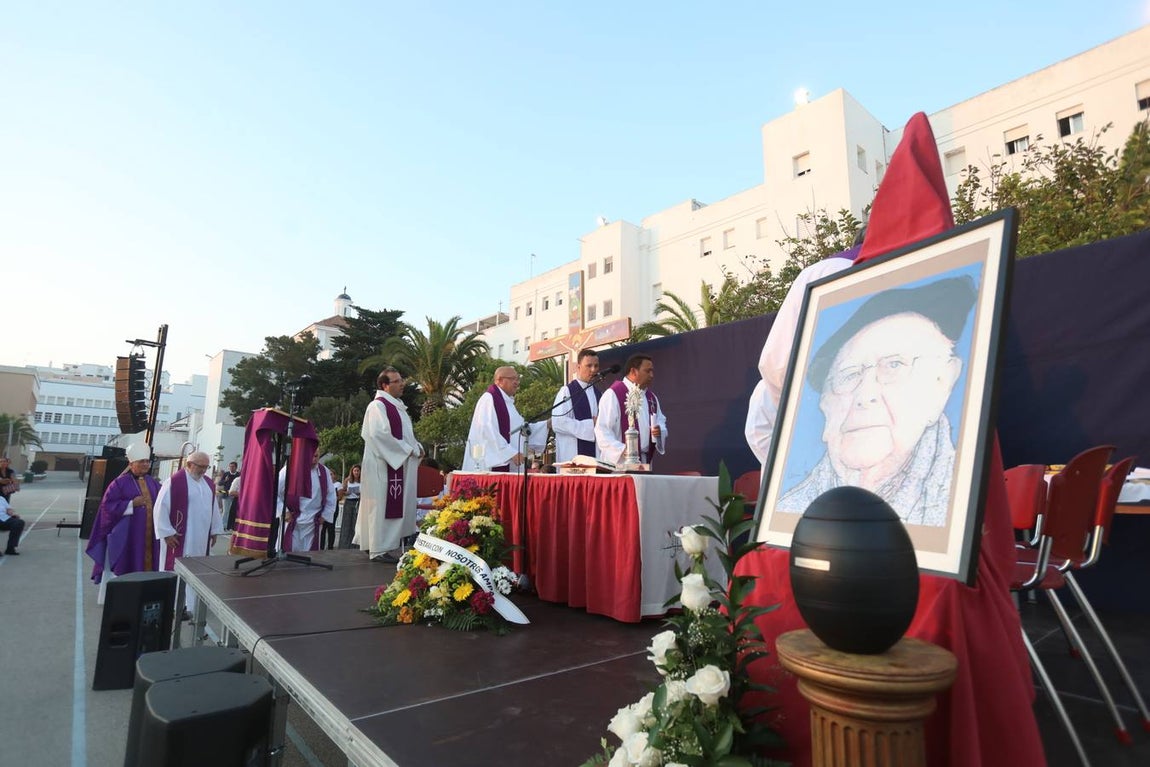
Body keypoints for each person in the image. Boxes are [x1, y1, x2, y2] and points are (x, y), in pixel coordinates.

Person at [777, 276, 975, 527]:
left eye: (894, 365)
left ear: (943, 382)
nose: (865, 394)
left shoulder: (956, 502)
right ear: (825, 405)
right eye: (849, 375)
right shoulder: (789, 512)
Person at [359, 367, 423, 562]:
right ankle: (378, 548)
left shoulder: (397, 406)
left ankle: (374, 544)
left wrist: (416, 446)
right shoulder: (377, 406)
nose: (402, 383)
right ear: (385, 385)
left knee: (386, 505)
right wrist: (408, 450)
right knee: (380, 505)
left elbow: (405, 436)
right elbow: (379, 435)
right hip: (383, 466)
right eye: (397, 381)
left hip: (395, 465)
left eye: (401, 379)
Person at [85, 442, 161, 601]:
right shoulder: (119, 483)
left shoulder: (153, 483)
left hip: (149, 536)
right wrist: (131, 504)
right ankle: (119, 597)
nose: (146, 464)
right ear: (131, 463)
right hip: (127, 536)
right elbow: (107, 506)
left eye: (147, 461)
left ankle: (144, 593)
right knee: (126, 562)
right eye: (142, 461)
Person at [460, 366, 548, 472]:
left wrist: (546, 425)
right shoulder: (489, 399)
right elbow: (487, 430)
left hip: (511, 465)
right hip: (490, 466)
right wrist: (510, 453)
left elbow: (521, 430)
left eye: (517, 379)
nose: (517, 382)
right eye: (512, 379)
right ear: (499, 380)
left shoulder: (509, 404)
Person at [595, 354, 668, 466]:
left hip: (644, 461)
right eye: (647, 371)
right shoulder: (613, 394)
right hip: (620, 462)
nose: (652, 375)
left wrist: (659, 431)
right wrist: (623, 450)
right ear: (633, 371)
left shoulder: (651, 398)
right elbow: (602, 430)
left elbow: (661, 421)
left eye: (652, 371)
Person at [154, 451, 221, 570]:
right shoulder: (174, 482)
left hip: (202, 536)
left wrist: (214, 530)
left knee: (198, 568)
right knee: (177, 570)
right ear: (189, 464)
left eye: (206, 467)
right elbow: (161, 508)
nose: (204, 470)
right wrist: (167, 533)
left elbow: (214, 508)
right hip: (180, 537)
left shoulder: (208, 483)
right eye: (201, 466)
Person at [278, 453, 337, 552]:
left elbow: (331, 496)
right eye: (311, 456)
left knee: (310, 556)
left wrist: (325, 515)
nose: (314, 460)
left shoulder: (324, 471)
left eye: (316, 456)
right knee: (288, 555)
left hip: (313, 524)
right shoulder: (289, 469)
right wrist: (284, 511)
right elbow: (274, 491)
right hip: (292, 521)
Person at [551, 349, 602, 463]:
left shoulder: (599, 394)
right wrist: (590, 424)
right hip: (572, 454)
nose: (593, 370)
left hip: (595, 455)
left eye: (596, 366)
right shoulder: (567, 391)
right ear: (578, 367)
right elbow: (558, 422)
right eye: (589, 365)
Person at [337, 464, 362, 549]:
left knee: (355, 523)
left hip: (358, 502)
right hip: (348, 502)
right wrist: (346, 493)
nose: (356, 472)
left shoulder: (362, 481)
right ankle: (345, 545)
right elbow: (342, 492)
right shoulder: (347, 480)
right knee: (347, 523)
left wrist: (360, 493)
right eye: (355, 471)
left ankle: (356, 545)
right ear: (352, 471)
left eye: (358, 471)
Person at [217, 461, 240, 531]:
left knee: (233, 511)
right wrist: (225, 480)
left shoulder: (239, 475)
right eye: (230, 466)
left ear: (236, 467)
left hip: (236, 496)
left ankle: (231, 526)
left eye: (232, 467)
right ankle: (223, 526)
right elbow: (220, 483)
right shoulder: (226, 474)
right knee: (226, 511)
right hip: (226, 495)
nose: (231, 468)